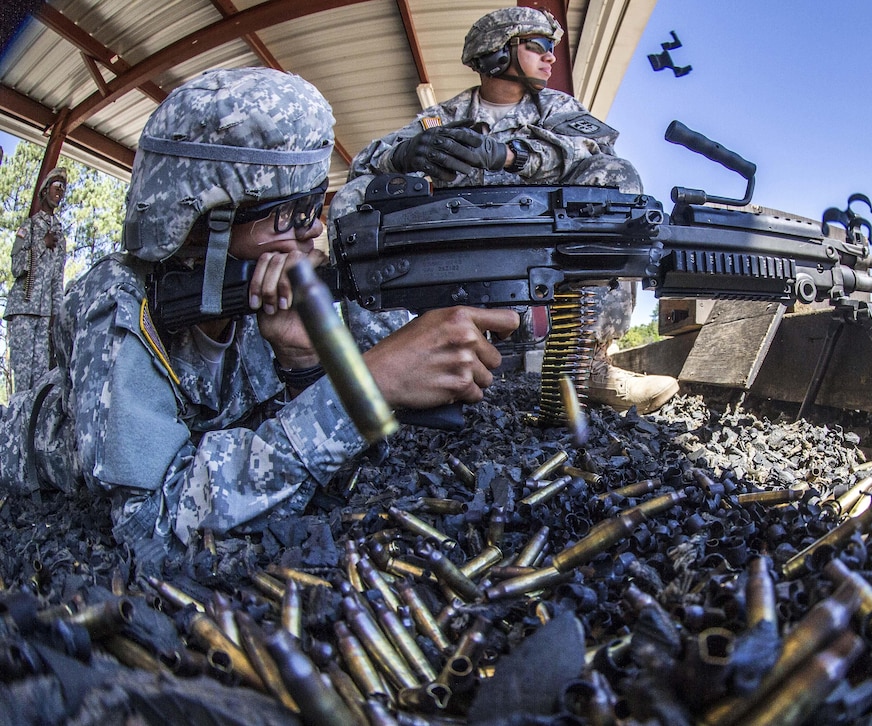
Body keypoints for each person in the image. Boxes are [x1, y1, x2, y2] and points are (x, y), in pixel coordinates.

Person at [0, 67, 518, 567]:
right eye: (295, 211)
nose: (314, 230)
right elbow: (152, 530)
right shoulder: (118, 301)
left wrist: (305, 366)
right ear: (207, 223)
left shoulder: (265, 292)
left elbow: (326, 479)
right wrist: (365, 387)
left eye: (316, 205)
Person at [330, 6, 678, 415]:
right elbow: (364, 165)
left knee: (616, 178)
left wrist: (512, 156)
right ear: (496, 53)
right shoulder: (443, 119)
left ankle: (587, 365)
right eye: (540, 46)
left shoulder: (557, 108)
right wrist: (402, 156)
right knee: (354, 199)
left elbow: (594, 151)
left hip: (545, 244)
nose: (551, 56)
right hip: (461, 252)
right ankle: (390, 373)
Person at [5, 166, 67, 393]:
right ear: (44, 191)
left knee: (41, 384)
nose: (60, 192)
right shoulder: (28, 227)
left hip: (44, 318)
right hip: (23, 310)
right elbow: (16, 267)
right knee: (22, 382)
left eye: (64, 189)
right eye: (56, 186)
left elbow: (57, 280)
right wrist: (41, 244)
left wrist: (57, 316)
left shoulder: (60, 233)